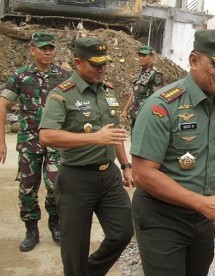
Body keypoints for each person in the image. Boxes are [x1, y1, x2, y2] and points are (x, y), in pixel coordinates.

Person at [130, 29, 215, 276]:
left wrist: (212, 207)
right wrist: (204, 204)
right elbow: (142, 174)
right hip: (162, 216)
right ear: (194, 61)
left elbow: (211, 159)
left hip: (202, 216)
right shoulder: (162, 106)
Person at [38, 37, 134, 276]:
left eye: (104, 64)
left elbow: (113, 133)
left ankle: (90, 272)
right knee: (75, 247)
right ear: (78, 63)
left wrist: (125, 165)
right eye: (95, 64)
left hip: (109, 177)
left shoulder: (108, 91)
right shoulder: (62, 95)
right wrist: (94, 138)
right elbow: (47, 136)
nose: (101, 69)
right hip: (76, 178)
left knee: (124, 231)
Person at [0, 31, 70, 252]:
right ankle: (31, 230)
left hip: (55, 141)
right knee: (28, 188)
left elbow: (76, 102)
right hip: (29, 141)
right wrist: (1, 141)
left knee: (55, 186)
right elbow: (3, 106)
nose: (47, 52)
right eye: (42, 48)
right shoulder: (20, 76)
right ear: (32, 50)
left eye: (50, 48)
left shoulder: (64, 75)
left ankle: (55, 223)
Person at [121, 45, 165, 132]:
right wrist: (125, 110)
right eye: (139, 55)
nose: (141, 58)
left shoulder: (155, 75)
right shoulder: (140, 74)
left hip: (147, 116)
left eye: (144, 56)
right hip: (135, 115)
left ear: (152, 57)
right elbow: (134, 93)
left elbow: (160, 98)